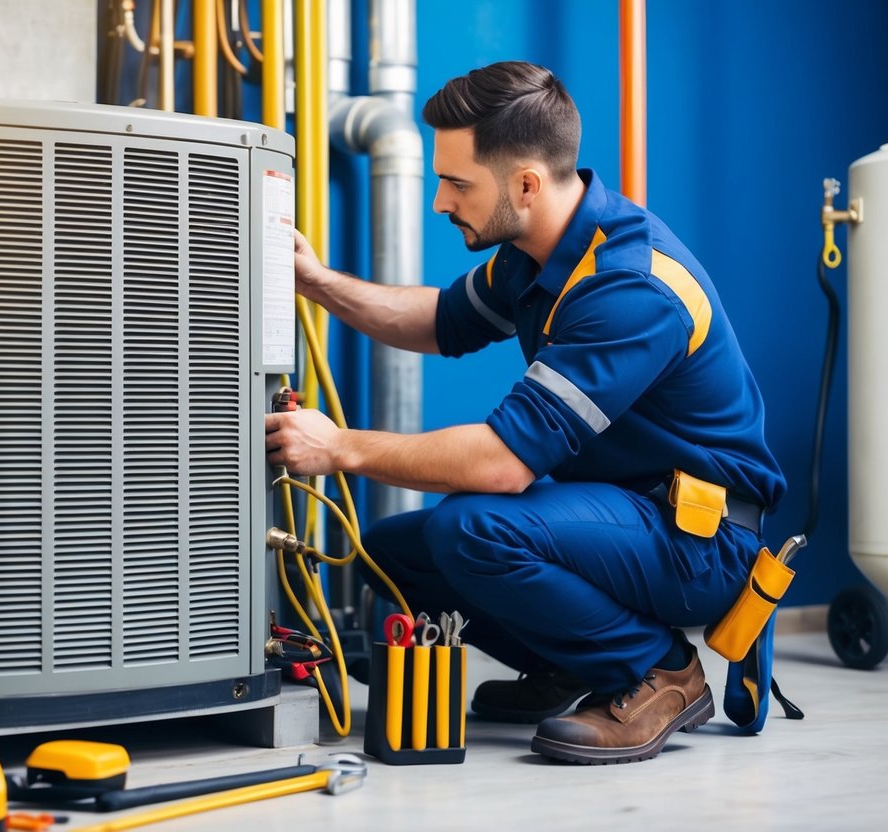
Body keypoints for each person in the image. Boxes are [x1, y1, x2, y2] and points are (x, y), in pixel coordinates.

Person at [263, 61, 785, 765]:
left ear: (526, 185)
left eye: (456, 183)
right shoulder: (536, 251)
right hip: (621, 511)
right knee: (393, 555)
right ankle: (572, 663)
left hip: (702, 537)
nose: (440, 202)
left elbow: (502, 465)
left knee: (474, 529)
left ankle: (656, 672)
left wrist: (341, 448)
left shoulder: (630, 287)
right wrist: (318, 282)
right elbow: (440, 321)